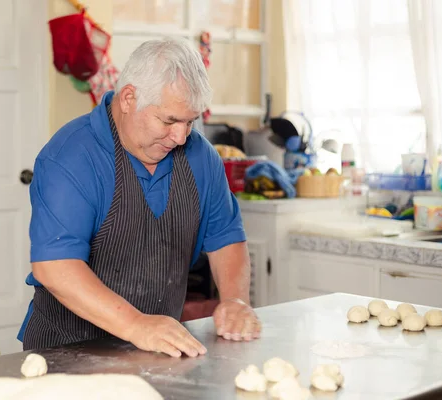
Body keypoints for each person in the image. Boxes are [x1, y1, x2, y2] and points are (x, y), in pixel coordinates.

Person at [17, 37, 260, 358]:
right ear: (129, 98)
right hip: (66, 349)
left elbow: (227, 238)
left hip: (156, 351)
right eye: (169, 120)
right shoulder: (72, 156)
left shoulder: (201, 157)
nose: (181, 136)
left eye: (190, 121)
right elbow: (55, 267)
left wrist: (235, 300)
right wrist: (135, 325)